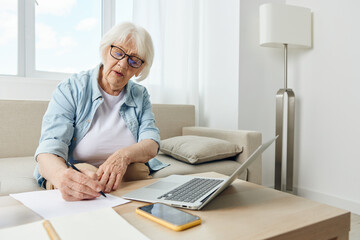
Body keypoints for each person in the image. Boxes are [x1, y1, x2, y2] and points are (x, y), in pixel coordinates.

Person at [33, 22, 166, 201]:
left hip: (125, 171)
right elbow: (49, 148)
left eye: (134, 60)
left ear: (140, 69)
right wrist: (60, 176)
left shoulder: (140, 95)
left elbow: (151, 142)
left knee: (138, 170)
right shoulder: (71, 88)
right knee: (89, 176)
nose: (123, 64)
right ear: (105, 50)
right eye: (118, 52)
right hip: (80, 169)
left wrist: (122, 156)